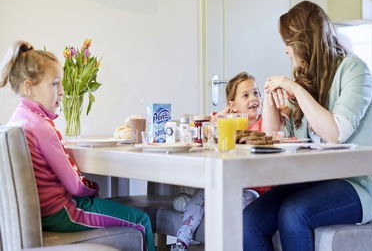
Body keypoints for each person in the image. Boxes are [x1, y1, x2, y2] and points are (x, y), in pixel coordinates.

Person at [243, 0, 372, 251]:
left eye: (288, 43)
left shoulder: (355, 70)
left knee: (293, 213)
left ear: (304, 43)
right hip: (313, 179)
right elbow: (271, 137)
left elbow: (334, 133)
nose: (286, 51)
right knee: (249, 220)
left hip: (357, 184)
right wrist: (270, 103)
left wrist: (295, 88)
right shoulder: (306, 77)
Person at [0, 41, 155, 251]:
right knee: (141, 220)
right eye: (55, 84)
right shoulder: (42, 126)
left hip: (42, 213)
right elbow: (76, 186)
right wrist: (94, 188)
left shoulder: (16, 120)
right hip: (62, 213)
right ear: (30, 87)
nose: (62, 91)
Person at [171, 72, 268, 250]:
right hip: (228, 185)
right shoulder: (228, 123)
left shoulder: (266, 124)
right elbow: (206, 130)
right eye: (245, 95)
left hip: (254, 190)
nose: (253, 98)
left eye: (256, 93)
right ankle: (181, 241)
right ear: (233, 105)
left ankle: (196, 206)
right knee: (204, 190)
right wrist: (226, 113)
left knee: (247, 196)